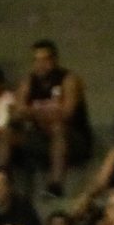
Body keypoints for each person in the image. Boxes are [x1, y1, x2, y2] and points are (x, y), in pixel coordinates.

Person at [12, 39, 91, 197]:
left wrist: (33, 112)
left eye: (45, 59)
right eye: (36, 60)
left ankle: (55, 185)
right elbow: (18, 111)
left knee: (57, 128)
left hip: (74, 138)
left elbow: (67, 113)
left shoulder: (69, 79)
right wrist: (46, 113)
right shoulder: (28, 81)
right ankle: (2, 182)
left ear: (54, 60)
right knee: (8, 135)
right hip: (41, 137)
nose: (40, 64)